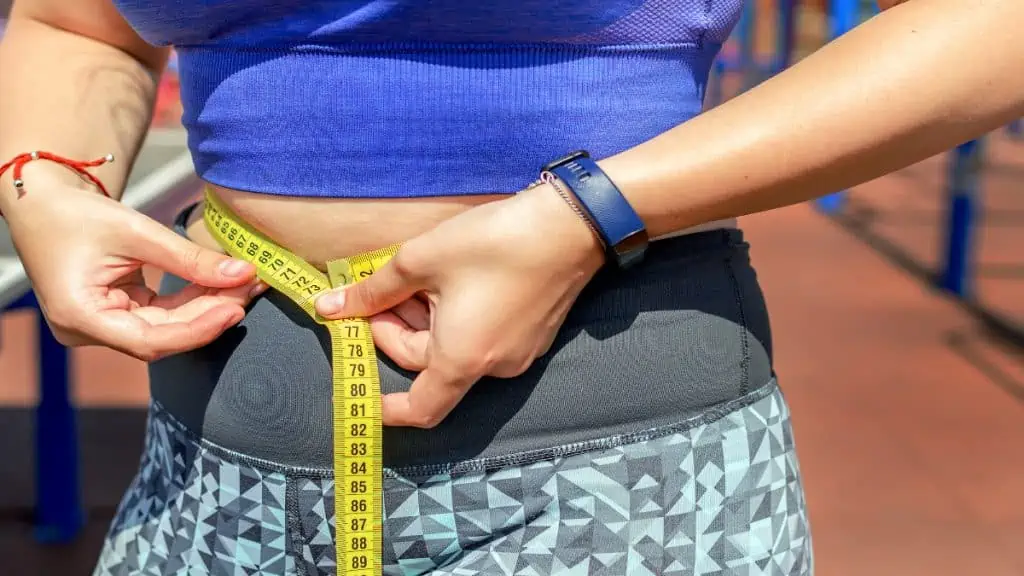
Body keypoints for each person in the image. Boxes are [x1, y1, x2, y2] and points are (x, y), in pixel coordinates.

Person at [0, 0, 1020, 574]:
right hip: (206, 485)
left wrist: (590, 212)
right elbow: (78, 20)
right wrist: (45, 179)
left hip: (620, 484)